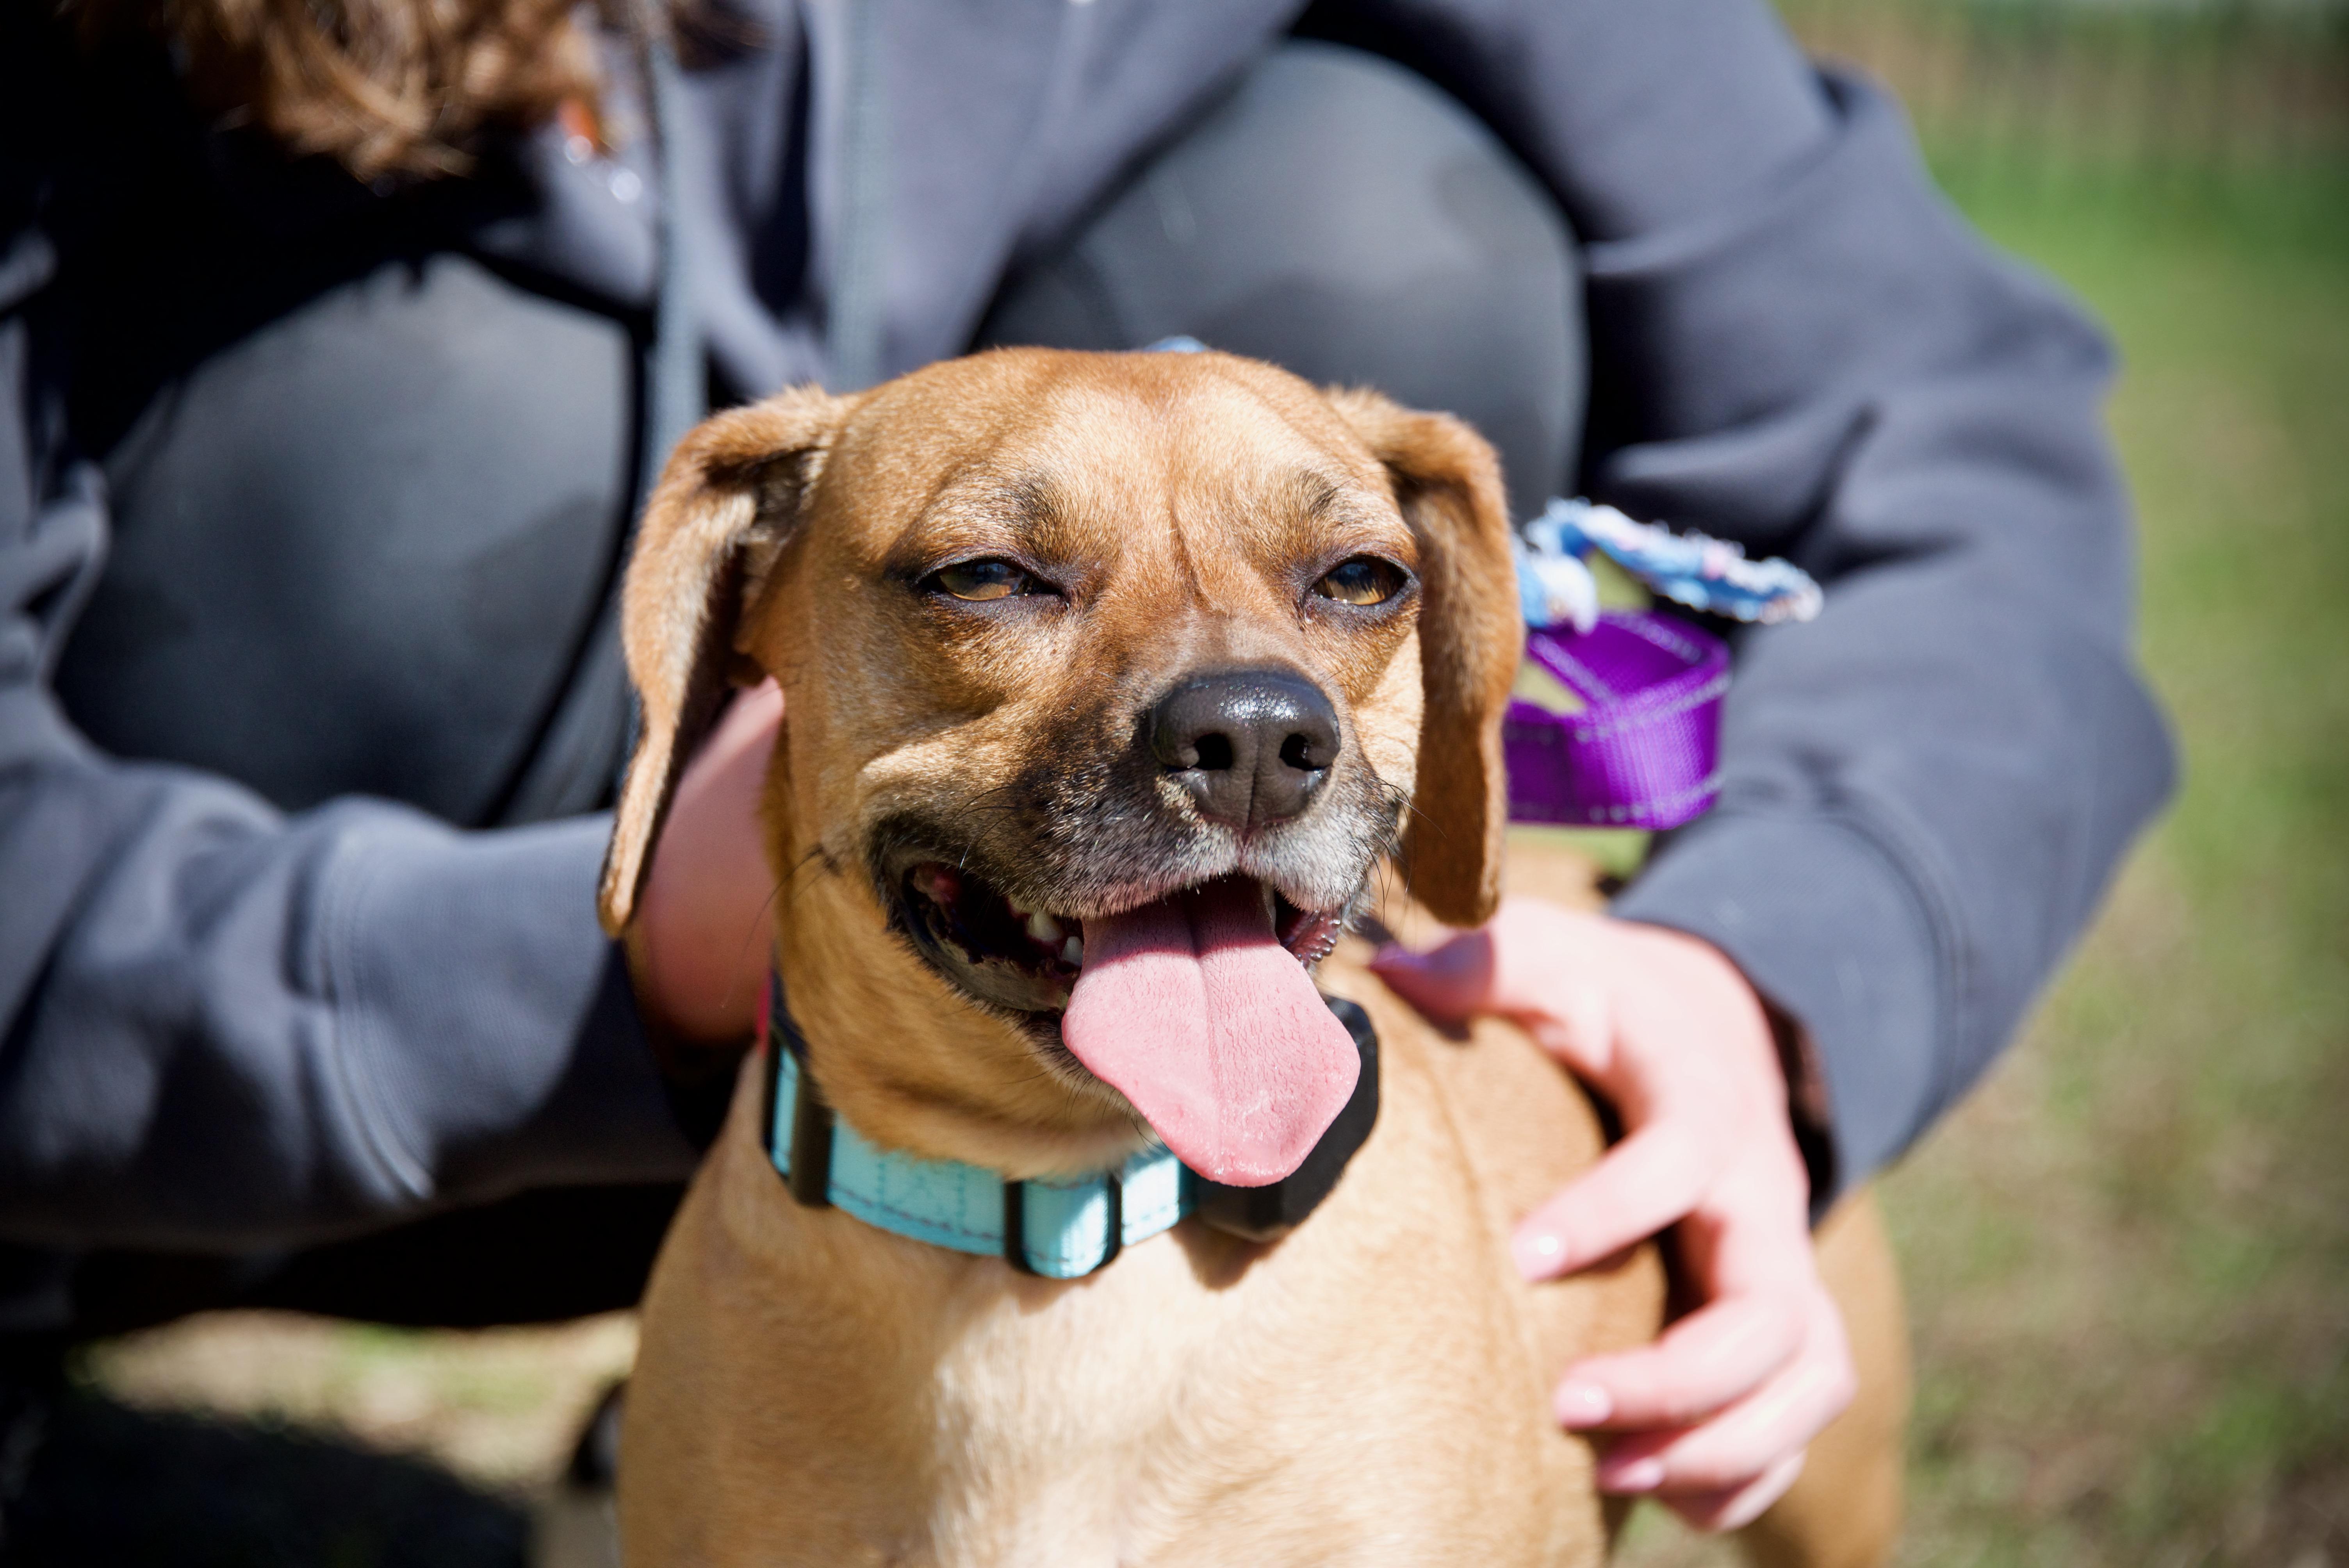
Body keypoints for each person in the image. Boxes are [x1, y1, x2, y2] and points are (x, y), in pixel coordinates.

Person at [0, 0, 2172, 1536]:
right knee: (415, 446)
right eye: (991, 577)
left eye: (1342, 585)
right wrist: (601, 962)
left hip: (1270, 1184)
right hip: (238, 1110)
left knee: (1392, 202)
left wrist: (1781, 967)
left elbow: (1947, 435)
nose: (1233, 706)